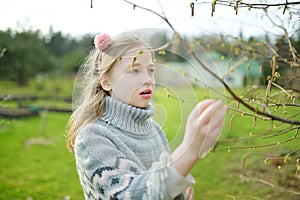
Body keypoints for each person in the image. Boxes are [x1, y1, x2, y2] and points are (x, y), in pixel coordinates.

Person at [67, 31, 227, 200]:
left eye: (150, 70)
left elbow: (164, 187)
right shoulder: (92, 137)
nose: (148, 79)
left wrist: (179, 191)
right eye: (134, 70)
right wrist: (189, 150)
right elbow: (133, 194)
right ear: (106, 81)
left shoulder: (155, 131)